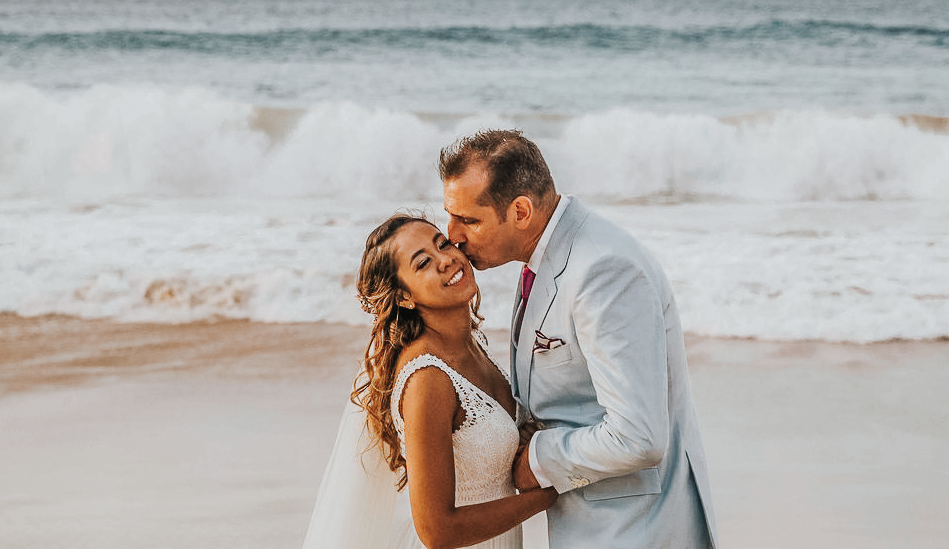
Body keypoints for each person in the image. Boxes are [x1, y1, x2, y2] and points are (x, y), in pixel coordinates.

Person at [439, 129, 717, 549]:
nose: (452, 233)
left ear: (520, 211)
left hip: (637, 530)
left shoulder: (602, 270)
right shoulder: (546, 255)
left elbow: (637, 437)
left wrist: (537, 459)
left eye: (469, 219)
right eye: (451, 214)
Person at [302, 213, 556, 549]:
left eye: (443, 244)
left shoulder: (473, 346)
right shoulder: (428, 380)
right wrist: (554, 494)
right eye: (423, 263)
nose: (446, 260)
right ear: (404, 297)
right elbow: (437, 531)